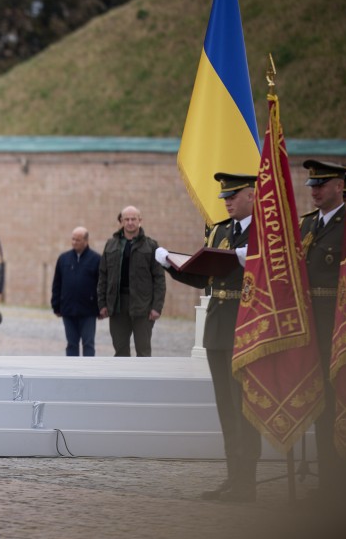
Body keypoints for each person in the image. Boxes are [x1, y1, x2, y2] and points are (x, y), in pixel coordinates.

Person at [157, 172, 261, 502]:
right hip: (218, 328)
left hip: (248, 327)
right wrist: (171, 264)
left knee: (244, 406)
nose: (227, 201)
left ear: (252, 194)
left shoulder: (266, 232)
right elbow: (205, 279)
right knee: (226, 407)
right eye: (224, 197)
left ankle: (248, 481)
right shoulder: (219, 230)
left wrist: (250, 260)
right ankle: (234, 478)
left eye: (233, 195)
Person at [298, 160, 346, 497]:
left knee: (344, 403)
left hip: (342, 329)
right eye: (312, 185)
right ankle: (327, 481)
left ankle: (344, 482)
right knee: (321, 403)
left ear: (341, 186)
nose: (314, 190)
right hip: (312, 330)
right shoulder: (307, 226)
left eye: (321, 184)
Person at [97, 206, 165, 357]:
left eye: (133, 219)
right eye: (126, 219)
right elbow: (103, 276)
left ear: (140, 221)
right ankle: (122, 380)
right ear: (121, 221)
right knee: (120, 349)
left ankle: (143, 380)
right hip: (117, 305)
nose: (130, 222)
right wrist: (102, 304)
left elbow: (159, 279)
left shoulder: (151, 246)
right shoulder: (111, 244)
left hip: (143, 306)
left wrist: (157, 307)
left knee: (143, 349)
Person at [51, 226, 101, 356]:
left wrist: (101, 307)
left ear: (86, 241)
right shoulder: (64, 259)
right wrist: (56, 305)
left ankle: (88, 372)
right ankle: (71, 373)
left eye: (78, 240)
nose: (74, 242)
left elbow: (101, 285)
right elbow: (57, 284)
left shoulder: (96, 259)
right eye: (73, 239)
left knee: (88, 343)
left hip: (88, 310)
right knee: (71, 344)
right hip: (68, 309)